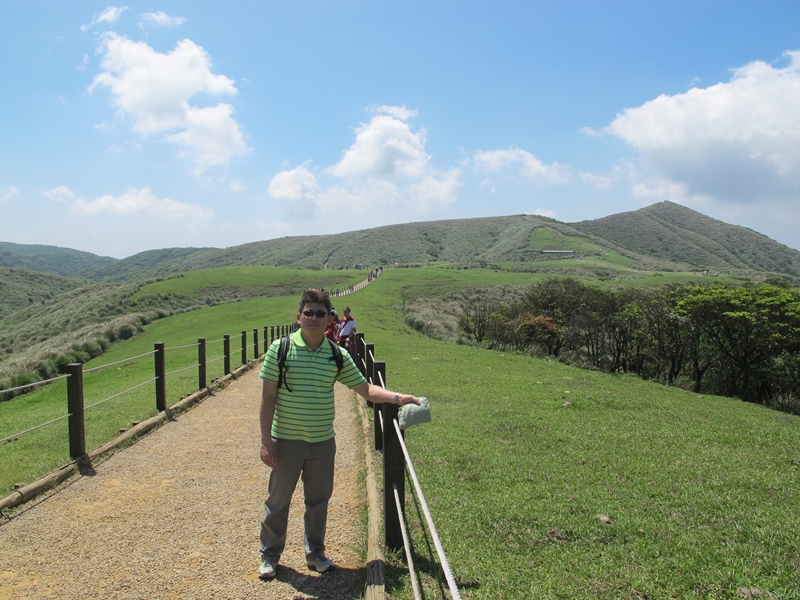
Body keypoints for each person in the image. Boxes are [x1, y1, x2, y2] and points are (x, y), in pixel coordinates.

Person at [257, 289, 420, 580]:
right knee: (278, 501)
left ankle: (315, 553)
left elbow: (366, 389)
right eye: (309, 312)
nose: (314, 318)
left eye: (321, 314)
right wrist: (266, 441)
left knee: (317, 502)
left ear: (329, 319)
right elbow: (268, 398)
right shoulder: (279, 350)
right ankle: (270, 556)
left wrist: (398, 397)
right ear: (299, 317)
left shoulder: (336, 355)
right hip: (287, 440)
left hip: (322, 442)